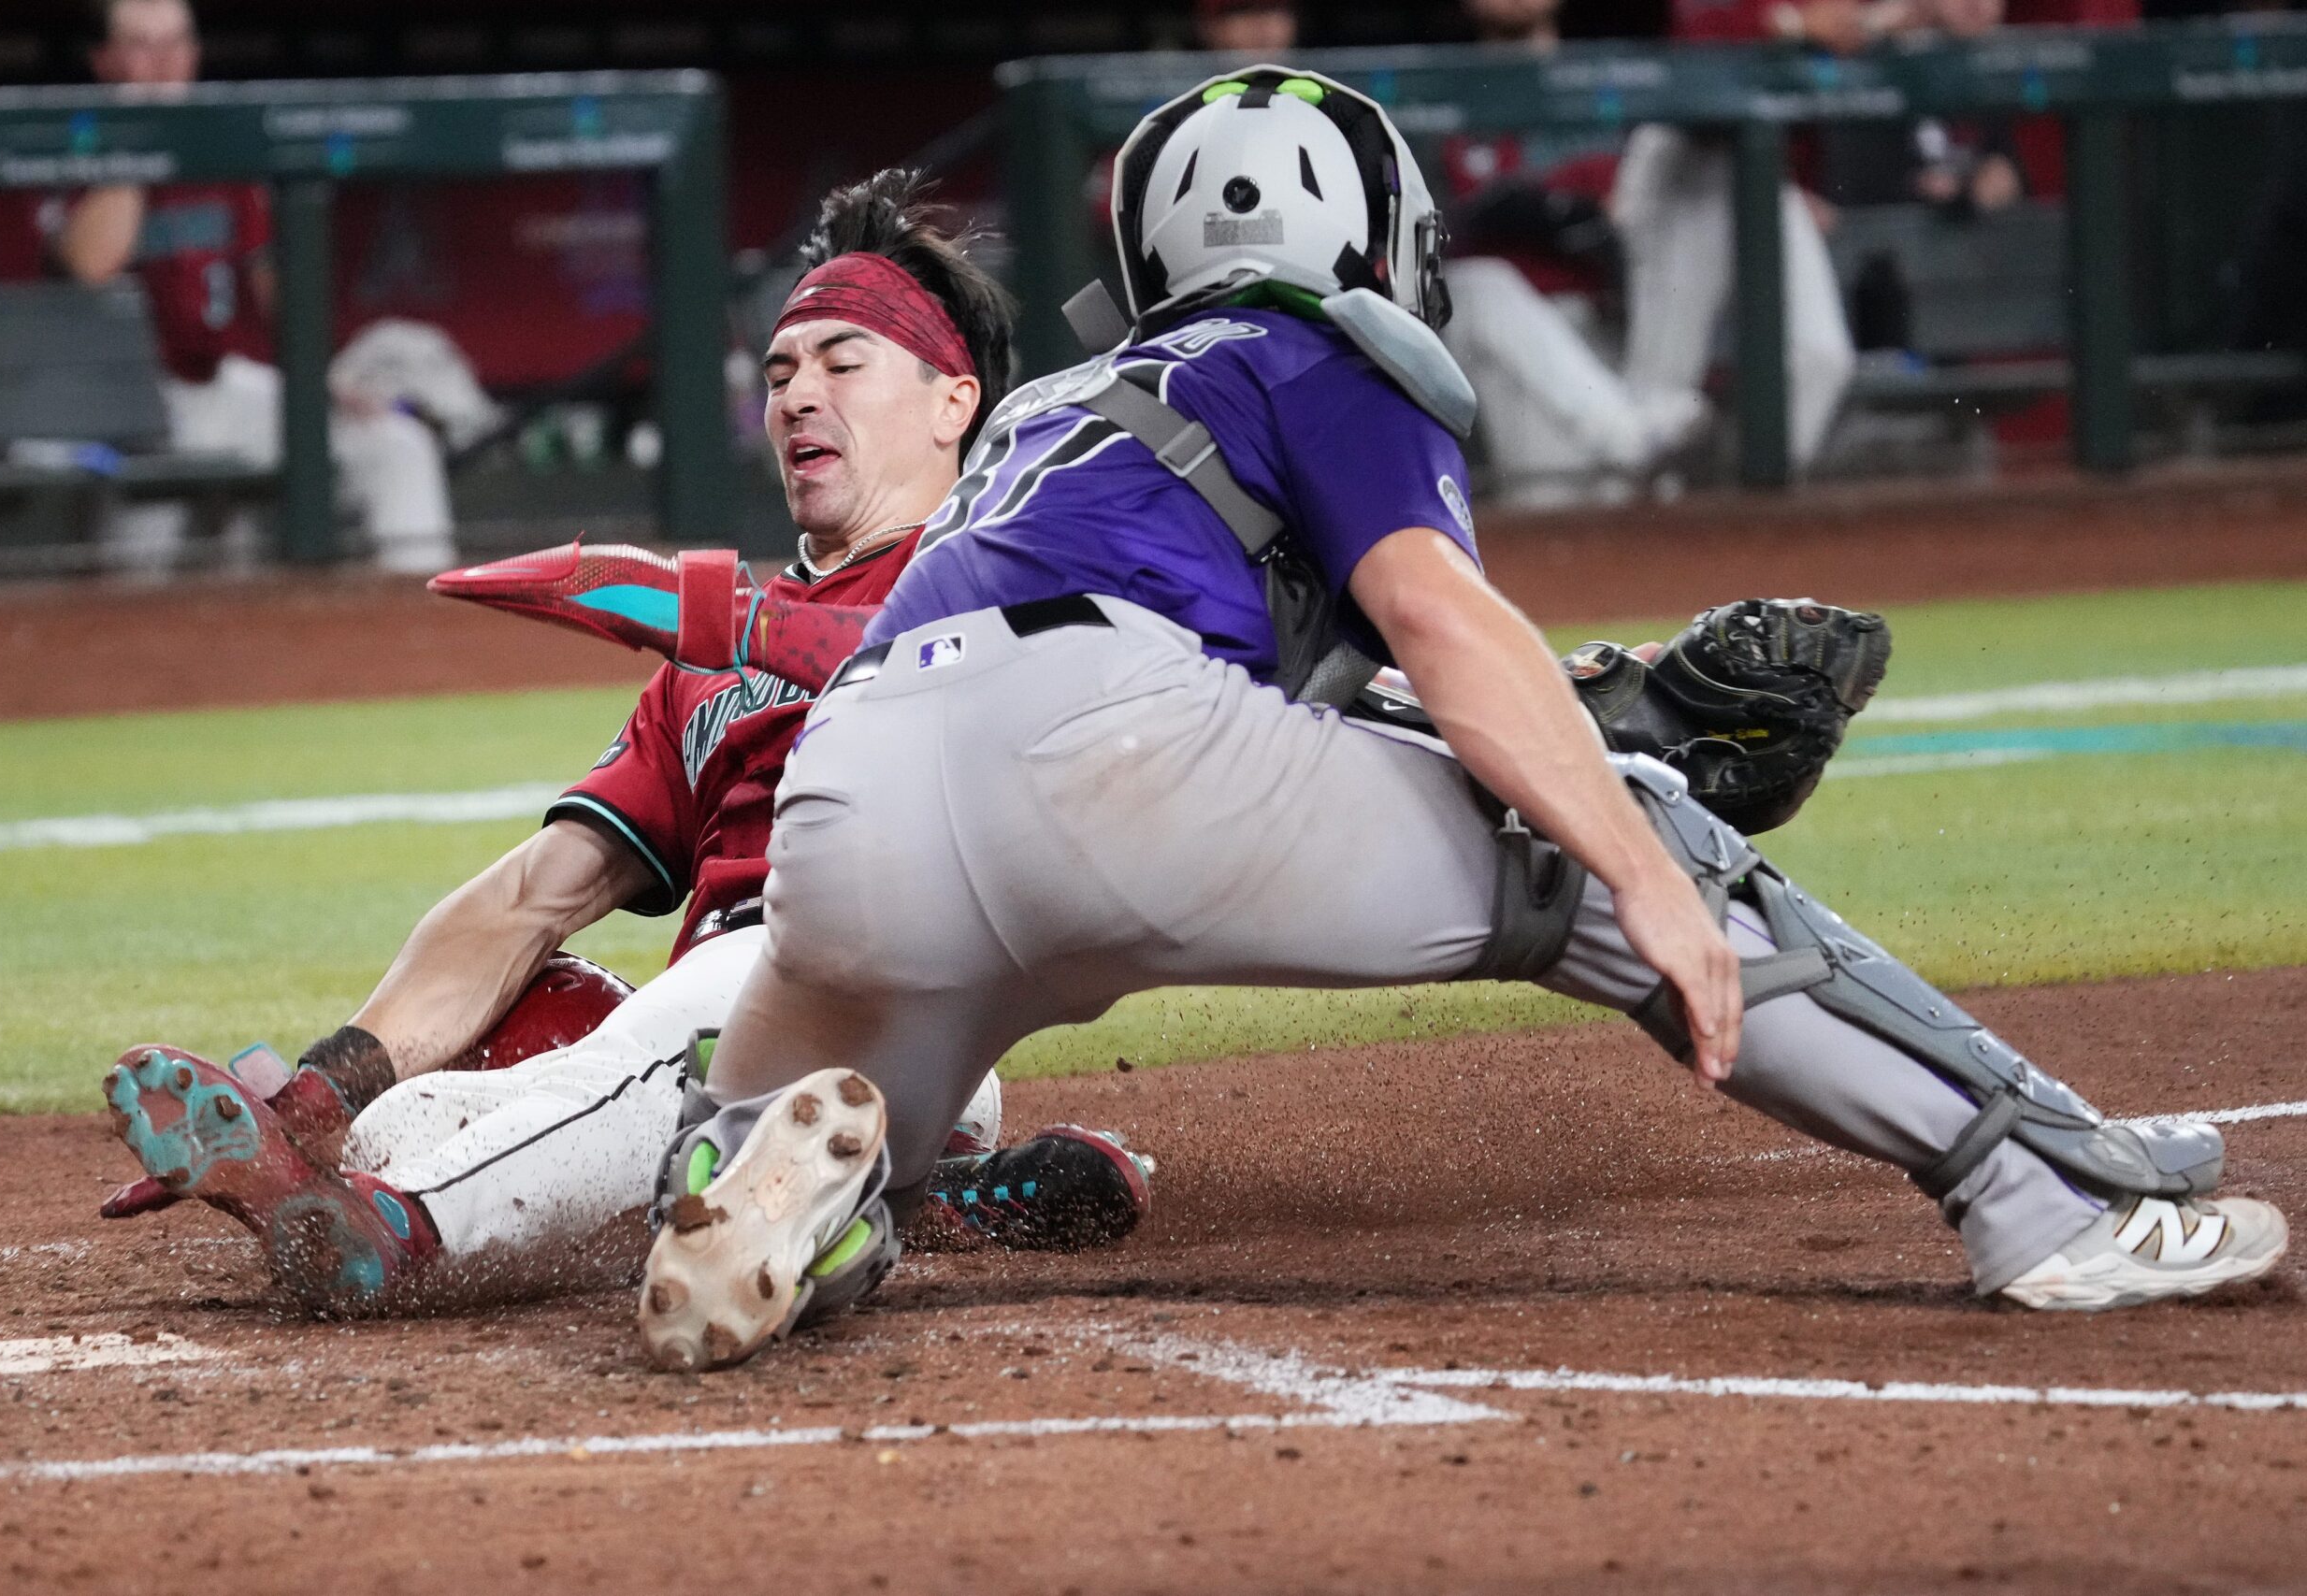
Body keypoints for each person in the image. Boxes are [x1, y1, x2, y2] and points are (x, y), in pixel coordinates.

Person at [635, 65, 2285, 1372]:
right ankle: (2040, 1198)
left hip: (859, 810)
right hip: (1111, 760)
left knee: (812, 1128)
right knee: (1611, 854)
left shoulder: (1051, 411)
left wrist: (1568, 708)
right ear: (1355, 224)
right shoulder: (1311, 340)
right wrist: (1631, 837)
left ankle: (788, 1189)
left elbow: (1314, 699)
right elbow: (1432, 624)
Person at [100, 172, 1153, 1314]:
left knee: (665, 1057)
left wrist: (716, 609)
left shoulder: (1011, 569)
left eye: (843, 364)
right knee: (436, 1100)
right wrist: (317, 1097)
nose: (800, 393)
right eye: (781, 372)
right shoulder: (705, 669)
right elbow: (527, 899)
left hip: (880, 986)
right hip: (743, 1029)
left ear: (954, 404)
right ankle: (896, 1197)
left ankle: (402, 1229)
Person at [54, 0, 457, 576]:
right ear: (104, 60)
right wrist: (141, 138)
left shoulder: (225, 146)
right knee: (133, 578)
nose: (163, 64)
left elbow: (278, 296)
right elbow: (93, 264)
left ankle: (425, 631)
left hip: (226, 387)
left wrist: (322, 382)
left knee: (396, 446)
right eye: (142, 46)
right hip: (124, 413)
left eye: (175, 44)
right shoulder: (74, 141)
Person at [1438, 0, 1709, 504]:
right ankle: (1635, 436)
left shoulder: (1610, 79)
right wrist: (1558, 210)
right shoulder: (1446, 91)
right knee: (1474, 283)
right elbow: (1469, 217)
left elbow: (1630, 213)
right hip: (1511, 345)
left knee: (1610, 504)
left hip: (1612, 328)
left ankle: (1634, 435)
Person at [1612, 0, 1873, 470]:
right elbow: (1696, 37)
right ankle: (1626, 520)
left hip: (1766, 165)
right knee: (1663, 387)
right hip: (1687, 159)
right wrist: (1791, 24)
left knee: (1821, 359)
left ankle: (1754, 510)